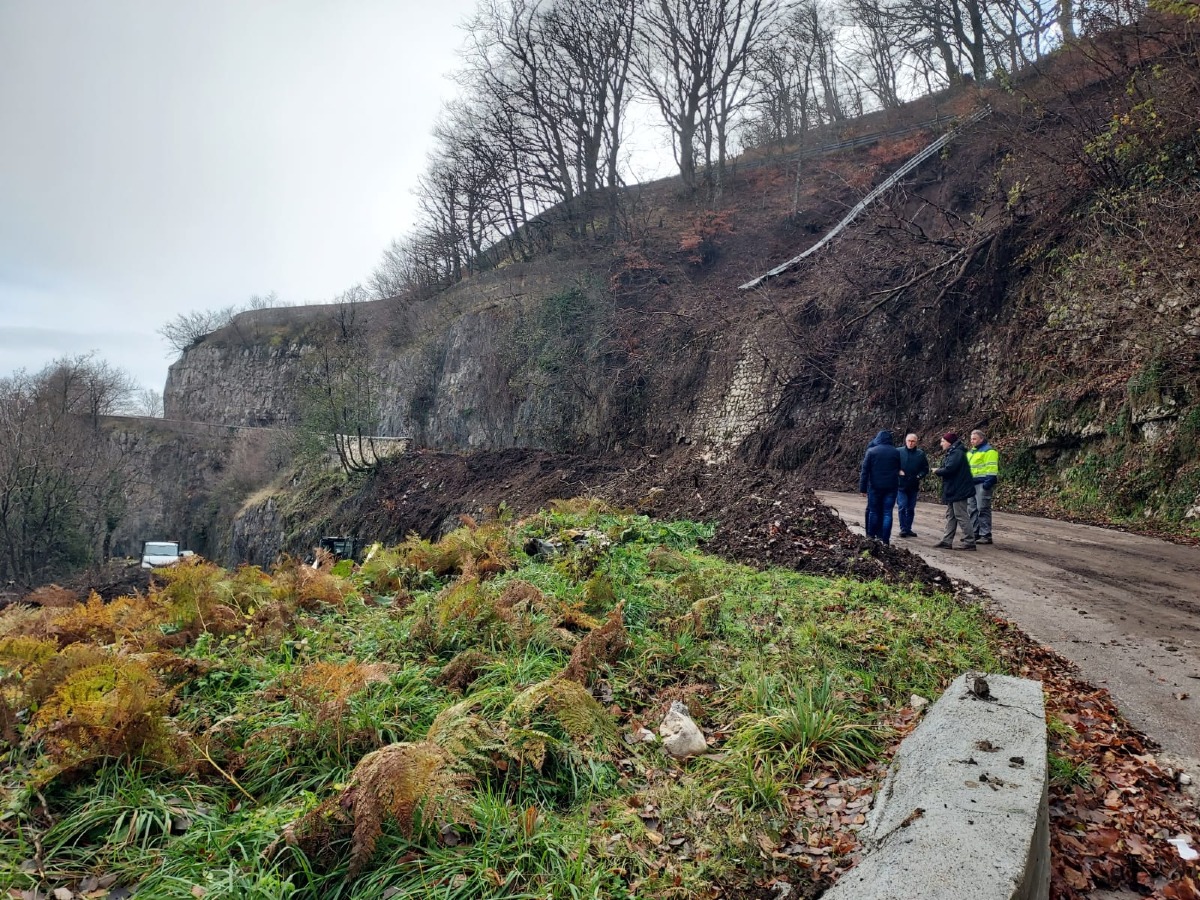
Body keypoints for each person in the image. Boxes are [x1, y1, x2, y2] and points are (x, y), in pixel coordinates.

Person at [933, 432, 976, 550]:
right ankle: (947, 541)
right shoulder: (954, 452)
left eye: (942, 441)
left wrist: (937, 471)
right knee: (951, 515)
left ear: (949, 442)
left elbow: (950, 469)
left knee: (961, 515)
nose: (941, 444)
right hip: (954, 489)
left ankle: (970, 542)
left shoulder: (956, 452)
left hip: (959, 489)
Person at [859, 430, 902, 544]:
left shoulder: (871, 451)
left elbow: (865, 471)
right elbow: (898, 467)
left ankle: (871, 538)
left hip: (875, 487)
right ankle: (886, 540)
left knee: (874, 512)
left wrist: (863, 488)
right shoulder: (896, 452)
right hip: (891, 487)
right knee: (888, 513)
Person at [967, 429, 999, 544]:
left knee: (982, 509)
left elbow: (992, 468)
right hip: (971, 484)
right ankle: (975, 533)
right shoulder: (971, 452)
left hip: (982, 484)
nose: (972, 441)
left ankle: (985, 535)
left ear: (981, 439)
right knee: (972, 509)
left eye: (974, 439)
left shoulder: (989, 451)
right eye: (971, 439)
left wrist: (987, 484)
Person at [896, 433, 930, 538]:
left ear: (916, 442)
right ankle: (903, 529)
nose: (910, 443)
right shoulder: (898, 452)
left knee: (910, 508)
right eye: (909, 441)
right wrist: (898, 471)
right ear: (906, 441)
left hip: (913, 485)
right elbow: (890, 464)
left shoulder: (920, 454)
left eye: (913, 441)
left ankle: (908, 528)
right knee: (902, 506)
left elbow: (925, 469)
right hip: (900, 485)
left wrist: (919, 476)